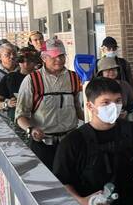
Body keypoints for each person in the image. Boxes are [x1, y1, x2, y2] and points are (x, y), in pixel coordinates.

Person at [15, 38, 83, 170]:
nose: (59, 59)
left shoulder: (75, 78)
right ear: (44, 57)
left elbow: (79, 109)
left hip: (70, 143)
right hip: (43, 144)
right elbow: (20, 116)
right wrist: (31, 129)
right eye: (54, 56)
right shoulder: (32, 80)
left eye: (62, 55)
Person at [0, 47, 40, 123]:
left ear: (35, 62)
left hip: (40, 121)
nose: (26, 64)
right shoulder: (10, 78)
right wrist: (7, 104)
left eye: (30, 61)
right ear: (18, 61)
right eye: (22, 60)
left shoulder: (42, 78)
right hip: (17, 121)